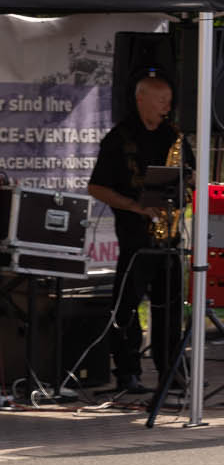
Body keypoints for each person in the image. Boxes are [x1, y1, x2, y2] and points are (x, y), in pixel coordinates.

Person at [86, 71, 185, 399]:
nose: (166, 107)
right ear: (141, 99)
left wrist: (187, 182)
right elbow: (96, 187)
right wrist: (134, 206)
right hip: (135, 237)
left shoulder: (173, 135)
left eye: (169, 102)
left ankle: (172, 372)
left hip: (169, 237)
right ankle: (127, 373)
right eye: (161, 101)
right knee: (127, 308)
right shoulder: (118, 138)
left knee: (169, 311)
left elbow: (191, 174)